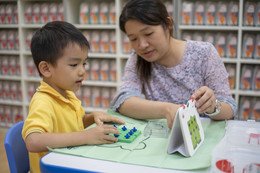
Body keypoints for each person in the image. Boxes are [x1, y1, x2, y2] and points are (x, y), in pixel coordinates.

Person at [111, 0, 237, 129]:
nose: (142, 45)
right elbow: (123, 101)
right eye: (133, 39)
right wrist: (167, 109)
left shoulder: (204, 53)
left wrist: (212, 107)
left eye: (148, 34)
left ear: (168, 24)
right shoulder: (137, 59)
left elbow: (230, 109)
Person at [22, 21, 124, 173]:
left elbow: (72, 126)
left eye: (84, 64)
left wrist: (91, 117)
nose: (82, 71)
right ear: (46, 68)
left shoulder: (68, 94)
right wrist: (85, 136)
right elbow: (33, 141)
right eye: (74, 65)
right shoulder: (43, 101)